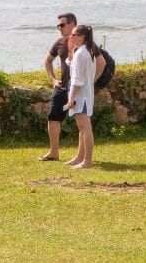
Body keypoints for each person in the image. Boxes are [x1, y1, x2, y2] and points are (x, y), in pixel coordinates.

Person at [40, 12, 106, 162]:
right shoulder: (63, 43)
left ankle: (84, 159)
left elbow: (101, 64)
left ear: (72, 25)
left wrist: (90, 82)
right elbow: (49, 61)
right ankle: (55, 153)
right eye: (58, 25)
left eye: (62, 25)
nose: (59, 28)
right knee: (55, 117)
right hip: (65, 87)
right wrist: (53, 79)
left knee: (83, 126)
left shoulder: (86, 47)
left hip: (77, 90)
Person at [64, 25, 98, 169]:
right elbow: (72, 64)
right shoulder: (85, 51)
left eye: (73, 35)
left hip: (81, 96)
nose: (70, 37)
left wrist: (71, 97)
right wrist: (71, 50)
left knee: (85, 129)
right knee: (82, 128)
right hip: (85, 95)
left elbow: (77, 79)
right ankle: (80, 157)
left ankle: (87, 161)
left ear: (82, 36)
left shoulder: (82, 54)